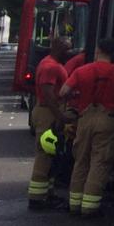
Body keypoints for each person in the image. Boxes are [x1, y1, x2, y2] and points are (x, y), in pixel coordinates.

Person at [61, 38, 114, 218]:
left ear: (97, 50)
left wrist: (77, 97)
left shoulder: (82, 71)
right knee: (100, 162)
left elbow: (63, 92)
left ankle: (74, 204)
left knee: (81, 160)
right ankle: (89, 207)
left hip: (85, 117)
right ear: (113, 53)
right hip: (108, 119)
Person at [26, 36, 72, 209]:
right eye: (67, 49)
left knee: (52, 155)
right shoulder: (50, 67)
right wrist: (60, 115)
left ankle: (47, 194)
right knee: (45, 155)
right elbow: (48, 94)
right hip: (47, 113)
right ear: (58, 48)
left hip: (49, 112)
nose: (69, 52)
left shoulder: (50, 63)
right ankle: (37, 199)